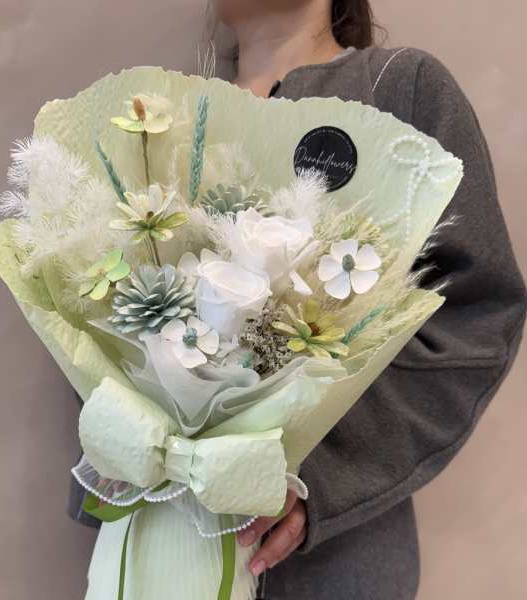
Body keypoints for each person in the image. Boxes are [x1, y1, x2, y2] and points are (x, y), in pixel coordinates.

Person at [68, 1, 527, 599]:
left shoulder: (398, 89)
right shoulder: (162, 121)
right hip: (163, 538)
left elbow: (477, 312)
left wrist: (324, 475)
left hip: (330, 558)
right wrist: (126, 445)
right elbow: (97, 320)